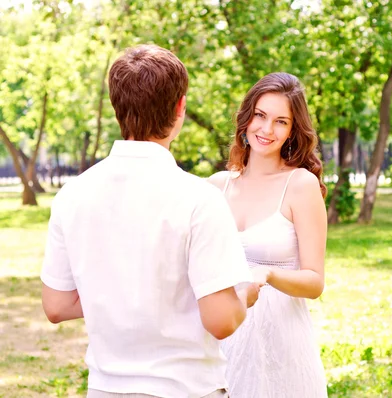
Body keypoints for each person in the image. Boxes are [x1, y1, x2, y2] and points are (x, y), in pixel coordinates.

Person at [40, 44, 259, 398]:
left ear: (116, 107)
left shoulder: (72, 195)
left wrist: (122, 297)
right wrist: (243, 295)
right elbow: (221, 320)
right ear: (180, 107)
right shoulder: (200, 198)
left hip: (105, 389)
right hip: (186, 389)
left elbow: (57, 305)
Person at [208, 72, 328, 397]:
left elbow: (315, 282)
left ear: (292, 130)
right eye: (260, 115)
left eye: (280, 121)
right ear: (247, 118)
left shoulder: (300, 185)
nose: (266, 129)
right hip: (224, 335)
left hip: (281, 343)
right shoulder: (217, 187)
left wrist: (270, 273)